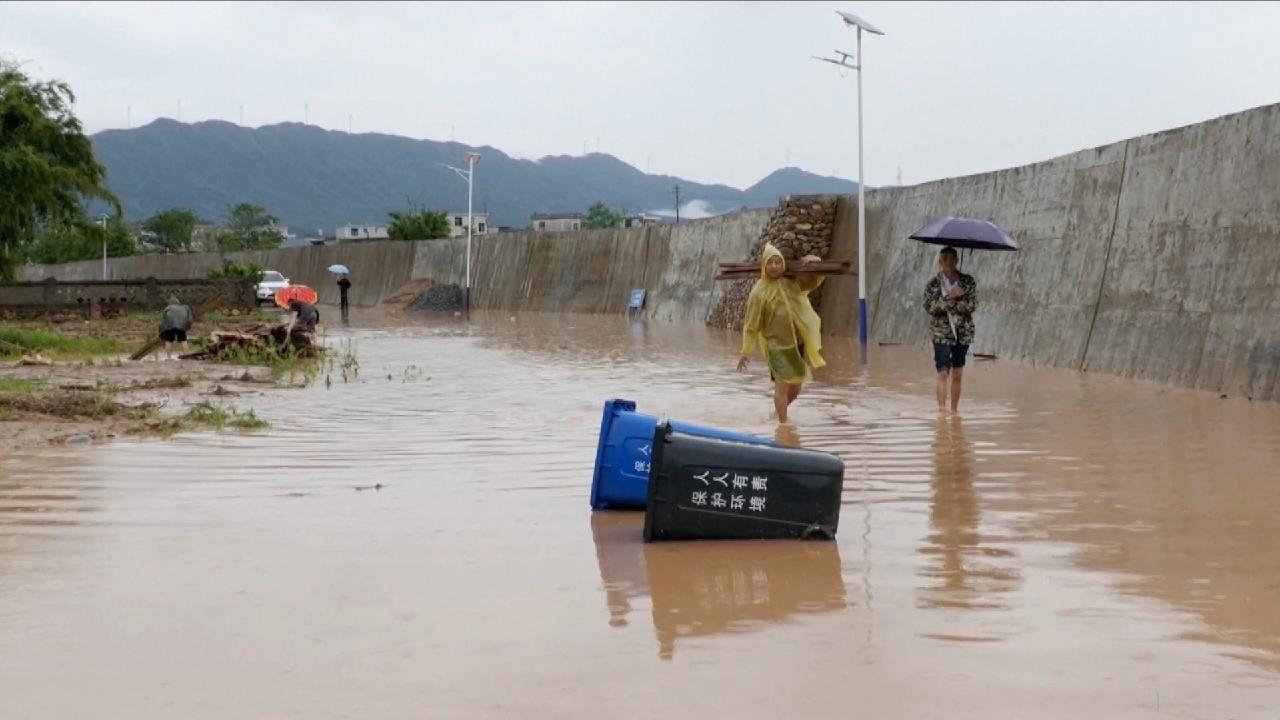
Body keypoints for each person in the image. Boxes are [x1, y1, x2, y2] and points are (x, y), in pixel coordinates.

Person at [736, 243, 825, 424]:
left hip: (796, 345)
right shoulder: (758, 293)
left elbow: (815, 280)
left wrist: (816, 261)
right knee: (781, 388)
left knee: (796, 387)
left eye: (778, 262)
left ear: (783, 264)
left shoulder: (791, 283)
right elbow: (751, 325)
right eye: (771, 263)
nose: (774, 266)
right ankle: (783, 426)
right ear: (764, 266)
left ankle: (777, 415)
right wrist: (746, 352)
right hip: (776, 346)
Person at [924, 246, 978, 413]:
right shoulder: (933, 284)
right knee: (942, 372)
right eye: (944, 258)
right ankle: (941, 411)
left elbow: (972, 305)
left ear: (956, 260)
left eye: (951, 258)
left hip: (962, 333)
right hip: (941, 333)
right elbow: (930, 307)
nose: (947, 262)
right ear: (940, 261)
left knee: (957, 373)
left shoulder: (968, 282)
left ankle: (954, 410)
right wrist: (950, 297)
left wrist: (958, 299)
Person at [158, 295, 193, 360]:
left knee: (168, 340)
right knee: (183, 340)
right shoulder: (185, 307)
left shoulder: (168, 308)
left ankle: (168, 357)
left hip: (169, 325)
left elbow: (163, 319)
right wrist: (187, 327)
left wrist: (162, 331)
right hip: (182, 325)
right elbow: (190, 319)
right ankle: (186, 356)